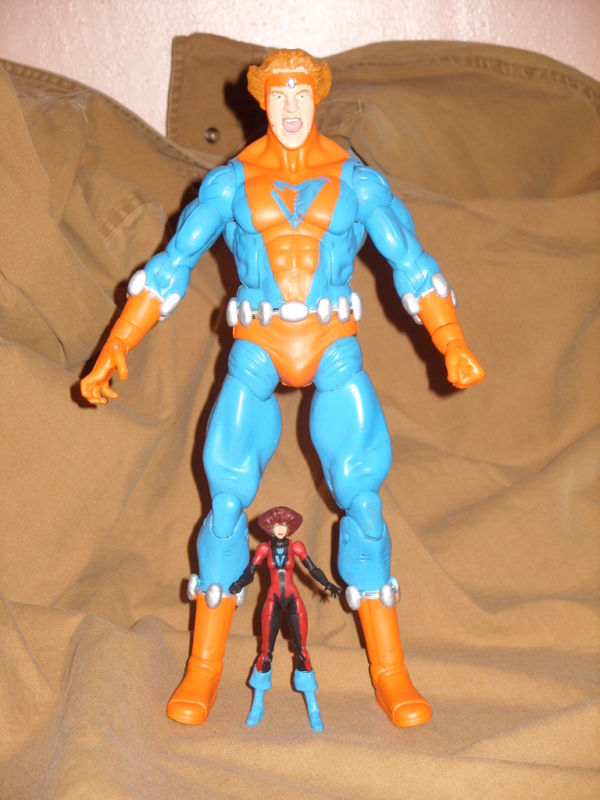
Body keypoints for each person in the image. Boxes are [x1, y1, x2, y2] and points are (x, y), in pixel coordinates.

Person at [80, 48, 484, 728]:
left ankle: (390, 671)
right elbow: (172, 265)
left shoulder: (357, 182)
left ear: (317, 96)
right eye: (279, 94)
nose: (290, 106)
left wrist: (451, 340)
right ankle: (204, 667)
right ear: (261, 100)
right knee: (224, 504)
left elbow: (412, 264)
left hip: (333, 346)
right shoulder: (230, 184)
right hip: (257, 348)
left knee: (364, 504)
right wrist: (117, 343)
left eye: (301, 92)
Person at [229, 506, 340, 731]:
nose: (280, 529)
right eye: (276, 525)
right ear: (270, 528)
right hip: (272, 600)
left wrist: (327, 583)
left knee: (302, 652)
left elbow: (312, 569)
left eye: (284, 525)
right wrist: (238, 585)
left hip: (293, 600)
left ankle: (313, 708)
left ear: (289, 528)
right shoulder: (263, 549)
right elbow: (250, 571)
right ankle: (257, 705)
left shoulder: (296, 547)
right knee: (265, 654)